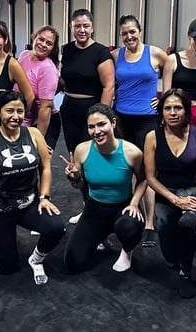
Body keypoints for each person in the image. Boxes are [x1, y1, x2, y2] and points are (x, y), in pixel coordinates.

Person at [0, 91, 65, 284]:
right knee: (7, 268)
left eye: (20, 111)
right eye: (9, 111)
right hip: (0, 208)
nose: (15, 116)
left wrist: (44, 197)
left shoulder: (34, 134)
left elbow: (46, 167)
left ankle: (36, 259)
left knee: (56, 227)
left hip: (29, 204)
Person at [60, 103, 146, 274]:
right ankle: (102, 238)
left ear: (113, 123)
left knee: (129, 228)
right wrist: (74, 178)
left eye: (101, 124)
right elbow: (79, 185)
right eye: (91, 127)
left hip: (123, 207)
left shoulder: (132, 152)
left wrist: (135, 203)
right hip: (95, 208)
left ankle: (127, 251)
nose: (96, 131)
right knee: (73, 263)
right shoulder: (82, 150)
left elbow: (143, 180)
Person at [143, 89, 196, 298]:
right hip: (167, 194)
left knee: (187, 224)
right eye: (168, 108)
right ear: (161, 112)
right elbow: (150, 178)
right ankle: (189, 240)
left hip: (195, 193)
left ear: (186, 111)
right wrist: (175, 200)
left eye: (178, 108)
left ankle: (186, 273)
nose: (172, 113)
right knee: (171, 257)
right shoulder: (152, 137)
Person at [112, 15, 168, 248]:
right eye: (124, 33)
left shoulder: (154, 53)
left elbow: (172, 67)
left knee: (146, 170)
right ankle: (129, 212)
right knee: (126, 167)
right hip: (121, 118)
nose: (129, 36)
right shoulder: (116, 55)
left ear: (140, 31)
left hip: (147, 119)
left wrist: (165, 98)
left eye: (132, 32)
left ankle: (149, 225)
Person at [60, 9, 115, 224]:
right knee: (77, 160)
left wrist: (100, 117)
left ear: (92, 28)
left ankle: (98, 209)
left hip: (91, 111)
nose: (81, 30)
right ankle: (87, 208)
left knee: (91, 160)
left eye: (85, 26)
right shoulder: (67, 49)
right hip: (69, 109)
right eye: (77, 26)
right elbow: (65, 79)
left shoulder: (101, 52)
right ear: (71, 28)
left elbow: (109, 86)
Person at [17, 25, 62, 150]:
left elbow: (45, 108)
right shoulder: (24, 55)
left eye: (49, 43)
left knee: (38, 157)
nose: (43, 45)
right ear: (34, 37)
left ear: (52, 48)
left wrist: (39, 139)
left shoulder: (48, 69)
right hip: (22, 120)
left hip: (42, 122)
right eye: (41, 39)